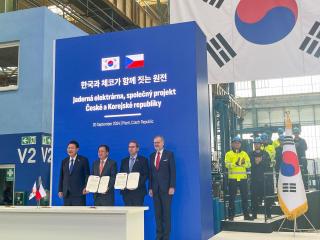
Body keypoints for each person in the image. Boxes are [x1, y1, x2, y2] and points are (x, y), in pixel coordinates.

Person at [149, 136, 176, 240]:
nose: (156, 144)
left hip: (166, 190)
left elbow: (173, 171)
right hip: (155, 190)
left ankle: (166, 237)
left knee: (166, 215)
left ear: (163, 143)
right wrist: (150, 188)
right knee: (158, 215)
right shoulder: (151, 156)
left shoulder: (169, 154)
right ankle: (158, 236)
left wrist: (172, 186)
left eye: (158, 142)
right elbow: (151, 174)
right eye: (154, 142)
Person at [225, 136, 252, 221]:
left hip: (243, 179)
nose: (237, 144)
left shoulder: (244, 153)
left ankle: (246, 215)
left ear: (240, 144)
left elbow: (249, 164)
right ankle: (231, 216)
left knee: (245, 197)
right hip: (232, 179)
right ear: (232, 144)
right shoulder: (228, 154)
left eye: (238, 143)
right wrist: (235, 164)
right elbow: (227, 165)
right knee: (231, 198)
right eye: (235, 143)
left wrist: (241, 163)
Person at [58, 140, 90, 206]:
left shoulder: (83, 160)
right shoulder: (64, 161)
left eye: (72, 148)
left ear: (77, 149)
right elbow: (62, 177)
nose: (70, 149)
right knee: (67, 215)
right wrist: (60, 190)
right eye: (68, 148)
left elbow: (87, 176)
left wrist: (86, 187)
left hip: (79, 194)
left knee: (79, 215)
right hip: (66, 194)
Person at [249, 137, 273, 219]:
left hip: (264, 179)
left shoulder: (265, 153)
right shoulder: (250, 154)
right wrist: (255, 162)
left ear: (260, 144)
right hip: (254, 179)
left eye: (258, 143)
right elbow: (249, 165)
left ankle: (268, 214)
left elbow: (268, 164)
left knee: (266, 197)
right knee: (254, 197)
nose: (256, 145)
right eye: (255, 144)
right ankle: (254, 214)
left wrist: (260, 162)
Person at [120, 140, 149, 206]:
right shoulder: (124, 161)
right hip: (126, 192)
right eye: (129, 147)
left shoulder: (143, 160)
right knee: (128, 214)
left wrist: (135, 185)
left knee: (137, 214)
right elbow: (121, 175)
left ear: (137, 149)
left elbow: (145, 175)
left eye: (133, 147)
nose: (130, 149)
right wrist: (122, 184)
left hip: (138, 191)